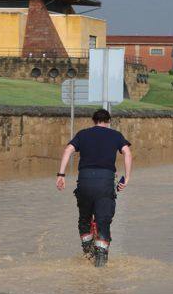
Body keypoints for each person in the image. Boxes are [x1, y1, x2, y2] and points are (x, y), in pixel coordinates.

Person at [56, 109, 133, 267]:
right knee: (103, 221)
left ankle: (88, 254)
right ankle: (100, 264)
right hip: (105, 182)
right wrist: (127, 177)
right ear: (108, 121)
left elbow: (68, 150)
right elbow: (127, 153)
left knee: (84, 220)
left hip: (84, 181)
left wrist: (61, 174)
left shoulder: (83, 134)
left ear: (93, 121)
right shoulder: (116, 135)